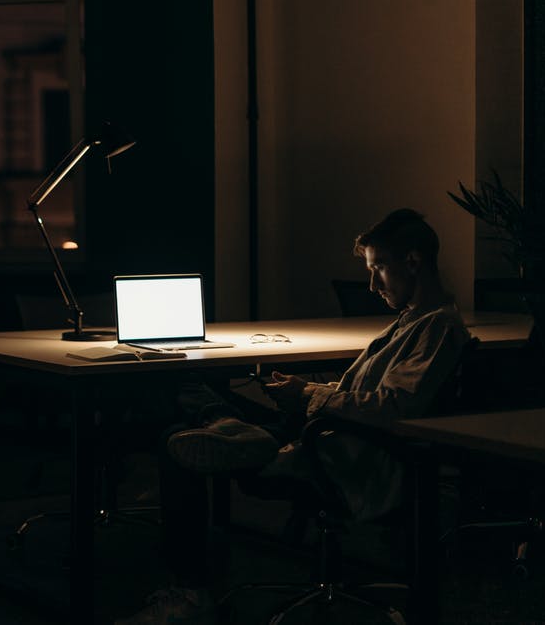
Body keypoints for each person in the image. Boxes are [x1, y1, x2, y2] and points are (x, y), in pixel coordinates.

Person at [116, 208, 473, 625]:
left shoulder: (437, 329)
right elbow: (371, 396)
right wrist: (308, 393)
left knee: (176, 438)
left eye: (379, 270)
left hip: (337, 455)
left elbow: (391, 408)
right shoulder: (411, 323)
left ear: (412, 262)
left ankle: (192, 592)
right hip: (325, 433)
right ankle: (226, 425)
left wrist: (308, 396)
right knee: (188, 382)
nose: (372, 285)